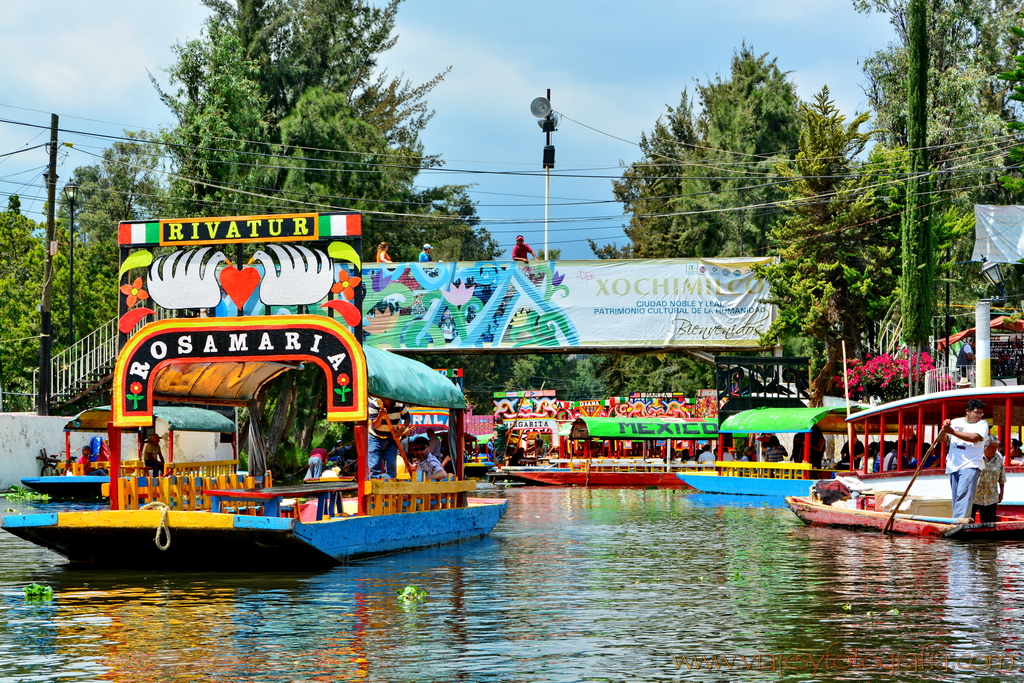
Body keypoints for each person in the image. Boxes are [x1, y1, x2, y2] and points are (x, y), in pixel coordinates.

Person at [940, 398, 989, 520]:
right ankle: (957, 520)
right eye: (976, 412)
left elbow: (974, 438)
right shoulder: (956, 422)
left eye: (981, 413)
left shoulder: (982, 424)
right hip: (954, 464)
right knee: (957, 496)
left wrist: (952, 431)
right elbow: (942, 439)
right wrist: (944, 428)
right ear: (968, 411)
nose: (979, 416)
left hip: (971, 464)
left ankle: (959, 522)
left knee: (964, 495)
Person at [367, 397, 412, 479]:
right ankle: (374, 487)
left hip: (392, 438)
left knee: (392, 466)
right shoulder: (374, 404)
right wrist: (381, 415)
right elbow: (375, 425)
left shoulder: (399, 404)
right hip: (375, 439)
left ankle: (390, 487)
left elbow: (407, 418)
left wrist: (402, 429)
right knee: (375, 466)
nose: (384, 400)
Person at [972, 435, 1006, 523]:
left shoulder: (999, 458)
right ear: (984, 447)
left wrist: (1001, 492)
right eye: (992, 447)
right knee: (969, 523)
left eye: (996, 447)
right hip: (973, 496)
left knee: (989, 525)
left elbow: (1002, 478)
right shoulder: (975, 456)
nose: (994, 450)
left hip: (991, 498)